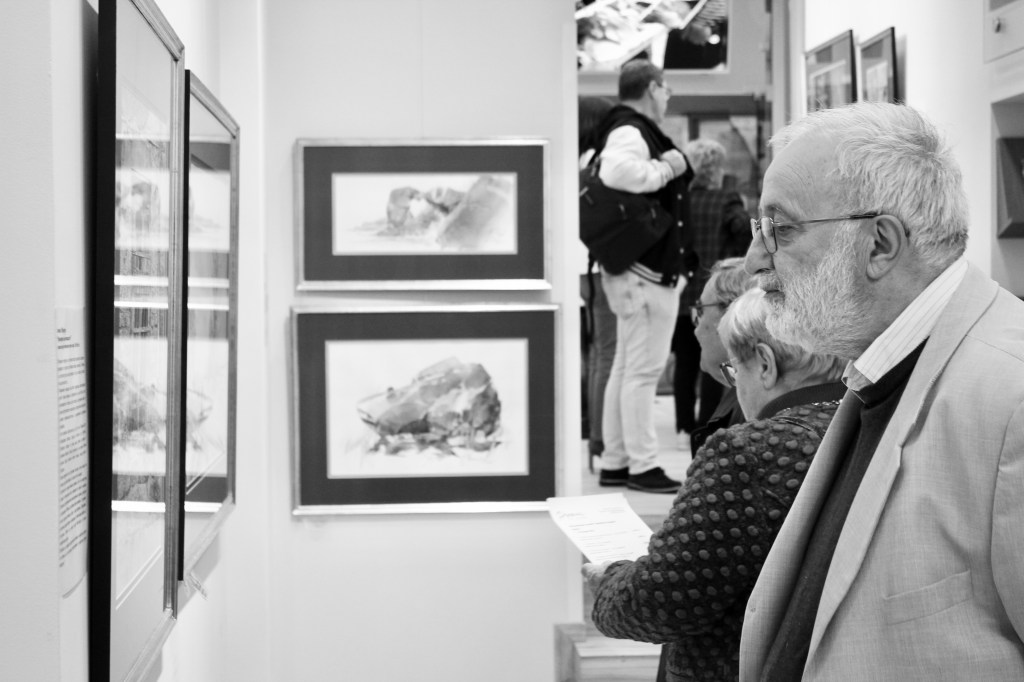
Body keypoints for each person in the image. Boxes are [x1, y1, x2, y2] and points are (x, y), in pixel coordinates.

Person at [738, 102, 1024, 680]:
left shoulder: (1009, 394)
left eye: (779, 230)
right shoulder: (878, 370)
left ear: (879, 244)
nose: (753, 261)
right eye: (758, 230)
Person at [583, 288, 847, 682]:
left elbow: (661, 601)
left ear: (765, 364)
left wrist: (610, 581)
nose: (733, 386)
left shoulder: (747, 452)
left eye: (733, 370)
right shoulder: (863, 422)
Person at [590, 59, 694, 493]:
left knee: (626, 367)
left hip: (630, 269)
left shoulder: (617, 128)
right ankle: (642, 465)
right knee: (642, 372)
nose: (667, 98)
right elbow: (617, 172)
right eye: (666, 89)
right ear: (652, 88)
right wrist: (667, 168)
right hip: (645, 270)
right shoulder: (631, 131)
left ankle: (617, 461)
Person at [671, 139, 751, 449]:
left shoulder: (679, 202)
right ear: (717, 167)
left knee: (685, 362)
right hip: (715, 294)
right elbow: (743, 228)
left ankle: (683, 425)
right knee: (713, 361)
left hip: (682, 293)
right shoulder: (726, 199)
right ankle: (706, 426)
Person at [578, 96, 617, 467]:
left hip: (582, 267)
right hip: (599, 265)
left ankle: (597, 437)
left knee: (597, 354)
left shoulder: (578, 159)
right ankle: (601, 438)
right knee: (608, 354)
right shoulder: (599, 161)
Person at [688, 257, 756, 454]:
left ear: (732, 313)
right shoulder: (743, 392)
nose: (696, 326)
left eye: (700, 310)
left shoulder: (753, 414)